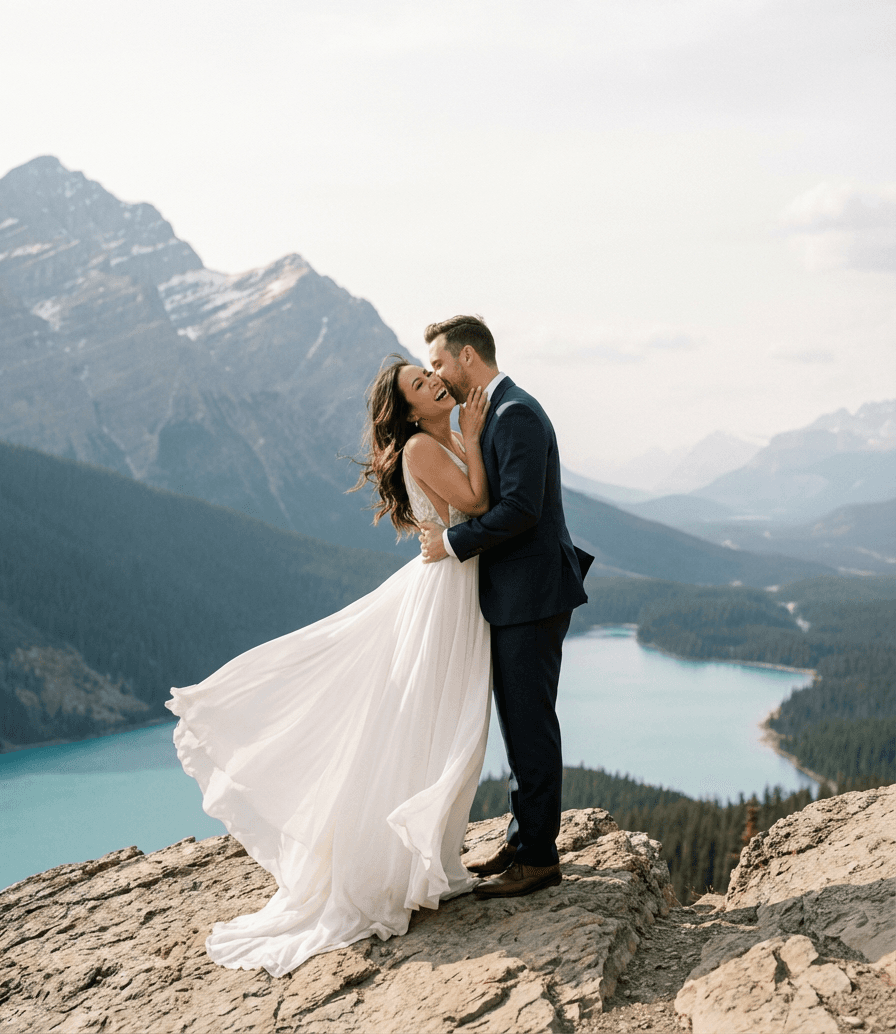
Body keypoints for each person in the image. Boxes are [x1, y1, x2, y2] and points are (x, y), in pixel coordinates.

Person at [166, 355, 493, 977]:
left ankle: (430, 861)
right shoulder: (425, 447)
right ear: (410, 410)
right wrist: (473, 441)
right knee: (432, 727)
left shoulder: (444, 434)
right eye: (419, 385)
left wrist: (470, 439)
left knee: (450, 726)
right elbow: (476, 501)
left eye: (429, 374)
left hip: (455, 587)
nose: (433, 382)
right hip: (444, 595)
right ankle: (392, 870)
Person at [419, 315, 594, 899]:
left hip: (534, 595)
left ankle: (540, 858)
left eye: (440, 363)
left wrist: (450, 543)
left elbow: (520, 509)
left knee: (531, 724)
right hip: (518, 596)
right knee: (519, 723)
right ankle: (524, 841)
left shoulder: (514, 413)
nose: (437, 375)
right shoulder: (492, 411)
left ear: (468, 357)